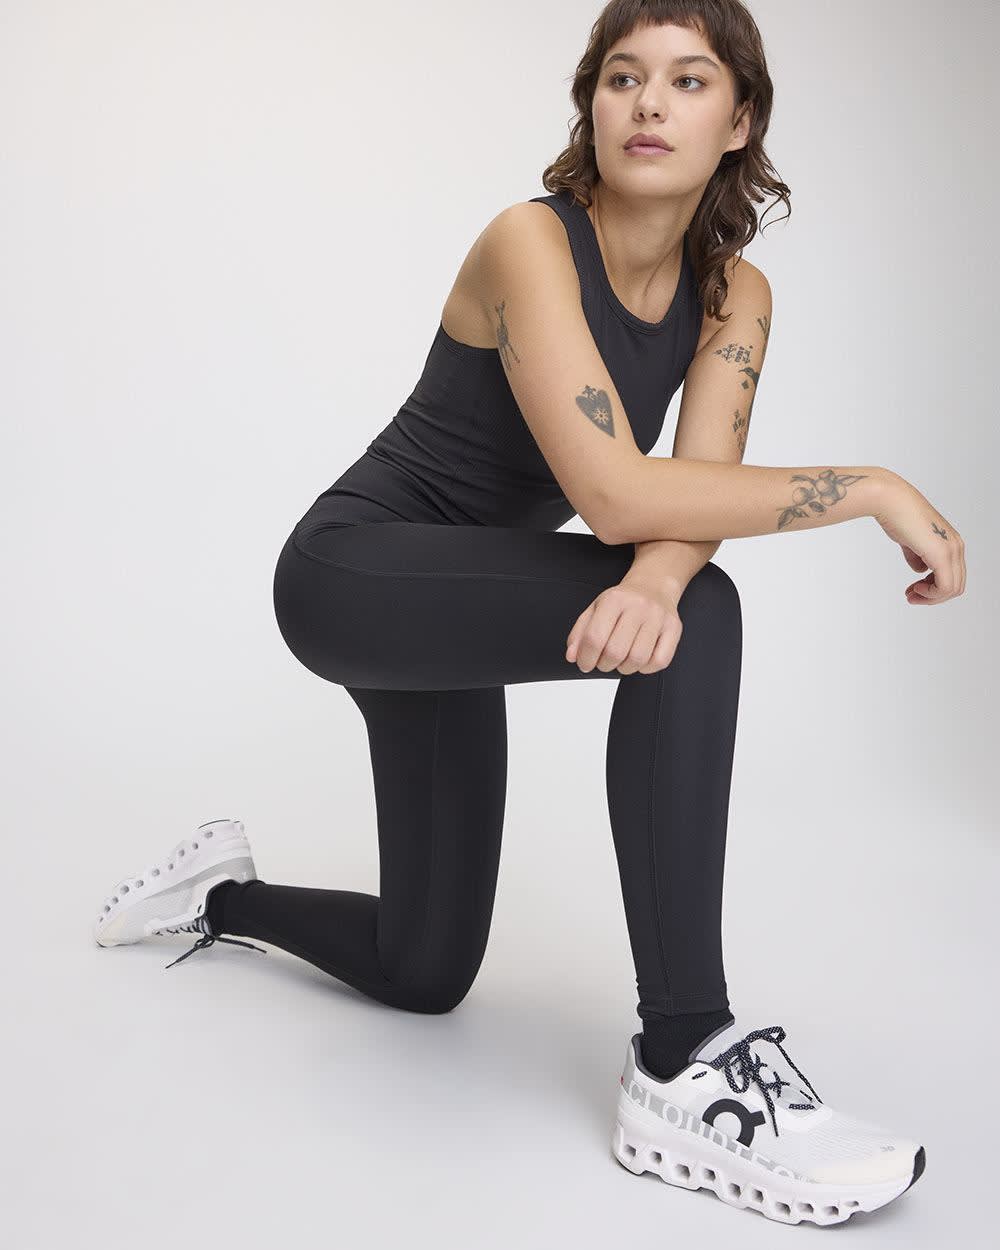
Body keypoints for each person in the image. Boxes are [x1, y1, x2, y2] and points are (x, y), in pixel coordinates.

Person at [93, 0, 960, 1227]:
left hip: (464, 604)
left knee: (423, 968)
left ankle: (219, 895)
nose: (648, 102)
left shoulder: (735, 294)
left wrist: (655, 579)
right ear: (590, 104)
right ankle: (684, 1055)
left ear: (739, 120)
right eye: (621, 76)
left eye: (688, 79)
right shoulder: (530, 242)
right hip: (355, 575)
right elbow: (615, 494)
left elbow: (691, 492)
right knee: (705, 619)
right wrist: (867, 487)